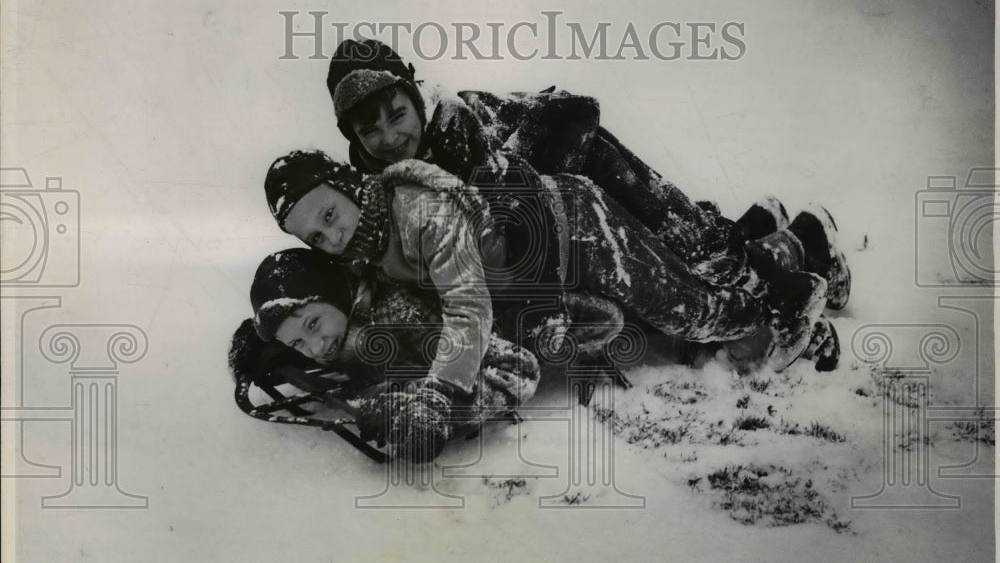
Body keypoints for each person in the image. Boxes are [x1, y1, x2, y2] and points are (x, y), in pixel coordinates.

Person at [262, 148, 835, 423]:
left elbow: (466, 306)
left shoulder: (418, 214)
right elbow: (315, 300)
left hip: (574, 229)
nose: (328, 237)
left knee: (690, 310)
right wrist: (258, 341)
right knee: (683, 282)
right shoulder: (362, 247)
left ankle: (789, 296)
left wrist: (441, 389)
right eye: (313, 234)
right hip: (547, 272)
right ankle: (788, 239)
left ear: (348, 187)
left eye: (329, 216)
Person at [324, 38, 851, 311]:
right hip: (570, 227)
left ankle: (789, 280)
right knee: (683, 260)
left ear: (415, 100)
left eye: (397, 115)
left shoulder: (463, 122)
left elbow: (574, 112)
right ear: (353, 138)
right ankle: (785, 231)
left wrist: (522, 189)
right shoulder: (372, 187)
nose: (390, 137)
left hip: (593, 175)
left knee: (693, 255)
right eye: (369, 130)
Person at [240, 248, 542, 461]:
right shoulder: (342, 322)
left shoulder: (401, 313)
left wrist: (430, 414)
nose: (316, 347)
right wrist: (261, 346)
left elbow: (516, 368)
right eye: (297, 343)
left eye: (313, 323)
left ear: (334, 293)